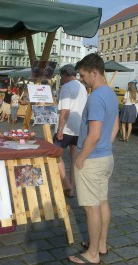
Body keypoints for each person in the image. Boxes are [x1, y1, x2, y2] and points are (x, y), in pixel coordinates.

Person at [67, 53, 119, 265]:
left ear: (94, 72)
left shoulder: (96, 96)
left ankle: (93, 255)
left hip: (92, 160)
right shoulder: (110, 94)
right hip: (105, 156)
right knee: (102, 201)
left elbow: (94, 134)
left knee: (91, 207)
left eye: (82, 75)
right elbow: (114, 127)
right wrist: (105, 146)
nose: (81, 79)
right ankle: (101, 245)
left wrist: (80, 158)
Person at [54, 64, 88, 198]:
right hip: (79, 127)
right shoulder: (82, 87)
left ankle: (66, 183)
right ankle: (72, 187)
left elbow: (65, 111)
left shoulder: (67, 87)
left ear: (65, 75)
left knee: (54, 154)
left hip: (67, 127)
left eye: (61, 76)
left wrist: (60, 129)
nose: (61, 79)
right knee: (74, 158)